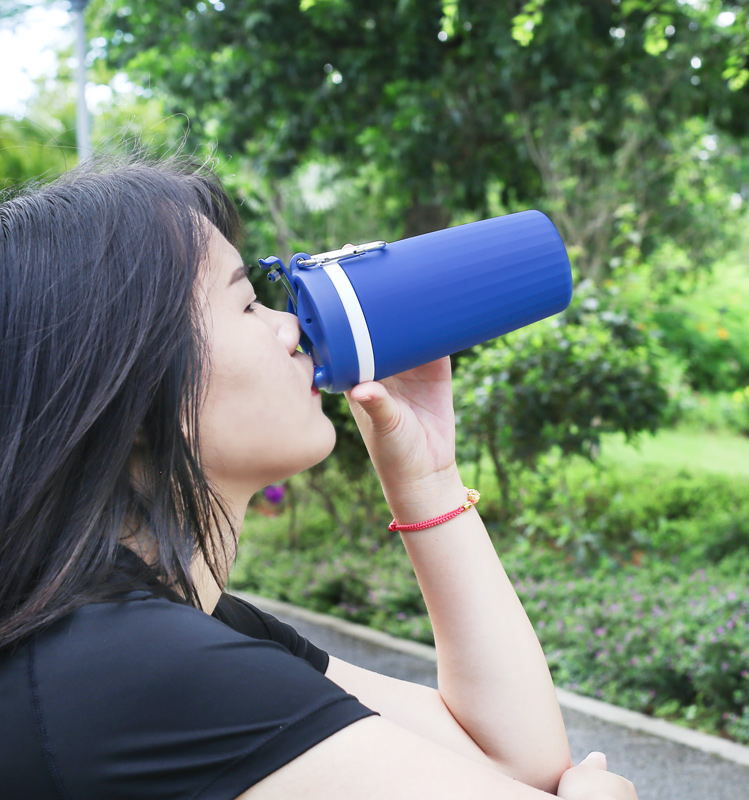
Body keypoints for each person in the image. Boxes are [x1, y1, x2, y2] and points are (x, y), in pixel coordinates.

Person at [0, 153, 638, 800]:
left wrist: (428, 479)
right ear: (129, 389)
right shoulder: (138, 666)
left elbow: (516, 762)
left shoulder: (178, 626)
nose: (292, 328)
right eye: (249, 305)